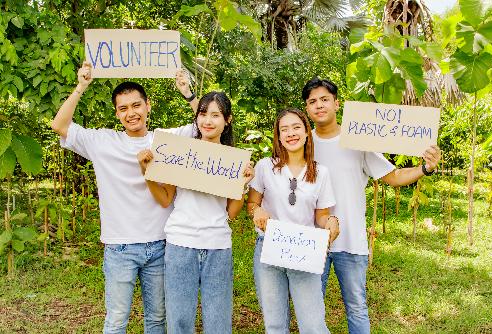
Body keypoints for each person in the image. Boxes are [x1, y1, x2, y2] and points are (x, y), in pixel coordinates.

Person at [50, 62, 194, 334]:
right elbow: (60, 125)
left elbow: (204, 124)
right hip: (119, 248)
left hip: (161, 245)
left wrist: (187, 93)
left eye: (136, 105)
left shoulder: (167, 140)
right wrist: (81, 85)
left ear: (148, 106)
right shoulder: (103, 142)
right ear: (117, 113)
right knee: (117, 320)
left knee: (157, 319)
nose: (131, 113)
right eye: (123, 108)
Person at [301, 77, 442, 334]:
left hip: (352, 241)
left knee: (356, 307)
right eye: (312, 101)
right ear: (307, 109)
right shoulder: (302, 144)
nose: (319, 105)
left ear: (336, 103)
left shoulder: (358, 140)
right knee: (311, 309)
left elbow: (393, 177)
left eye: (324, 99)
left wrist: (425, 168)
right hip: (310, 241)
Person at [138, 91, 254, 334]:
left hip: (218, 245)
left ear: (227, 120)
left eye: (215, 115)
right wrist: (147, 175)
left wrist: (242, 185)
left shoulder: (234, 162)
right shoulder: (179, 153)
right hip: (180, 244)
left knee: (218, 321)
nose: (207, 121)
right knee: (179, 320)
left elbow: (232, 213)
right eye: (203, 114)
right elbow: (165, 199)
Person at [246, 108, 340, 334]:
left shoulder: (320, 172)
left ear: (307, 132)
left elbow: (321, 215)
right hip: (269, 251)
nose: (291, 133)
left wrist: (332, 221)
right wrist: (257, 211)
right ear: (278, 137)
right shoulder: (264, 167)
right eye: (284, 129)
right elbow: (252, 204)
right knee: (275, 325)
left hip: (304, 252)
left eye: (296, 127)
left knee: (313, 325)